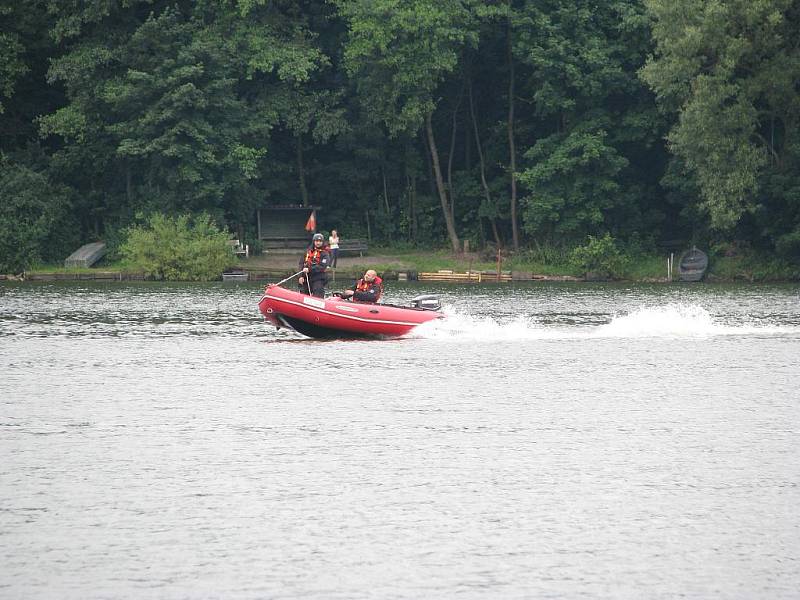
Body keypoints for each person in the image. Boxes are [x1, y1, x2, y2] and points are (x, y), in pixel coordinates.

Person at [298, 233, 330, 298]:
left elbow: (322, 266)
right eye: (316, 241)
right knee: (303, 292)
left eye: (320, 241)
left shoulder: (325, 254)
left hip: (318, 278)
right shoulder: (307, 251)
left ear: (322, 242)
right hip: (307, 277)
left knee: (318, 291)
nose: (318, 243)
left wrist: (309, 269)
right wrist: (300, 276)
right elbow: (301, 263)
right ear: (314, 241)